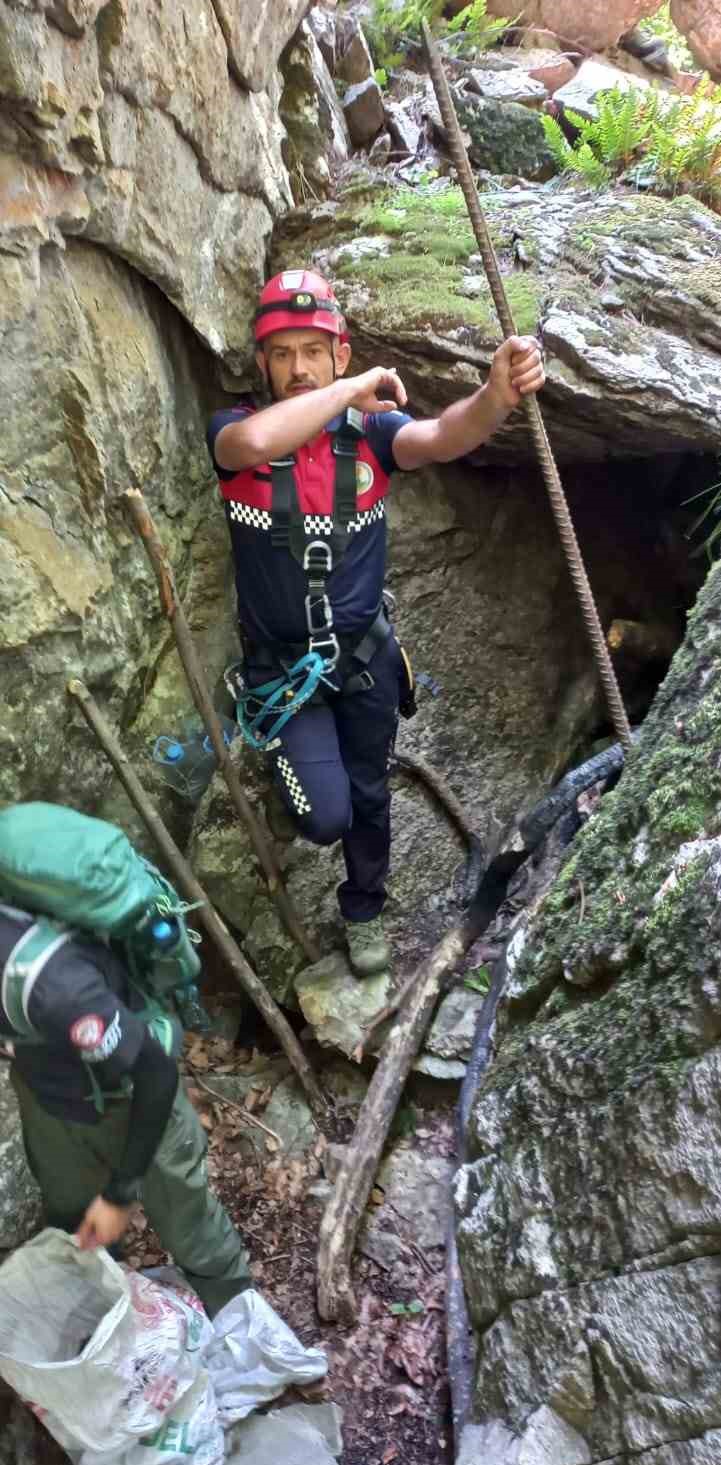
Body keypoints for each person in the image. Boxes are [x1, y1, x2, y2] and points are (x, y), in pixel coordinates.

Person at [207, 268, 545, 977]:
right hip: (283, 676)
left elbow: (443, 436)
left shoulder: (370, 436)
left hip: (361, 660)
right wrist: (344, 388)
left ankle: (364, 909)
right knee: (323, 816)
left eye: (313, 349)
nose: (297, 367)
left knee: (368, 794)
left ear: (338, 349)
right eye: (281, 352)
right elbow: (248, 448)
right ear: (261, 362)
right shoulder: (237, 429)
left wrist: (495, 395)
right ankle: (292, 783)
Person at [1, 900, 251, 1319]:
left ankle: (241, 1322)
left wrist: (119, 1196)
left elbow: (156, 1076)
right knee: (73, 1220)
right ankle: (108, 1318)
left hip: (131, 1090)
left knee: (189, 1229)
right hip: (46, 1093)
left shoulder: (54, 985)